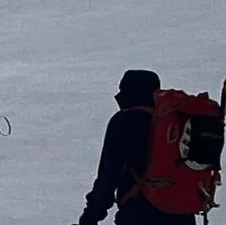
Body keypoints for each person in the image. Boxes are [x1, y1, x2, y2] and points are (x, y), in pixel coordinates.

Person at [75, 70, 195, 225]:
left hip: (138, 214)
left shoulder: (123, 122)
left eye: (122, 90)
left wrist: (89, 217)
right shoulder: (177, 124)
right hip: (183, 216)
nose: (118, 96)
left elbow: (108, 178)